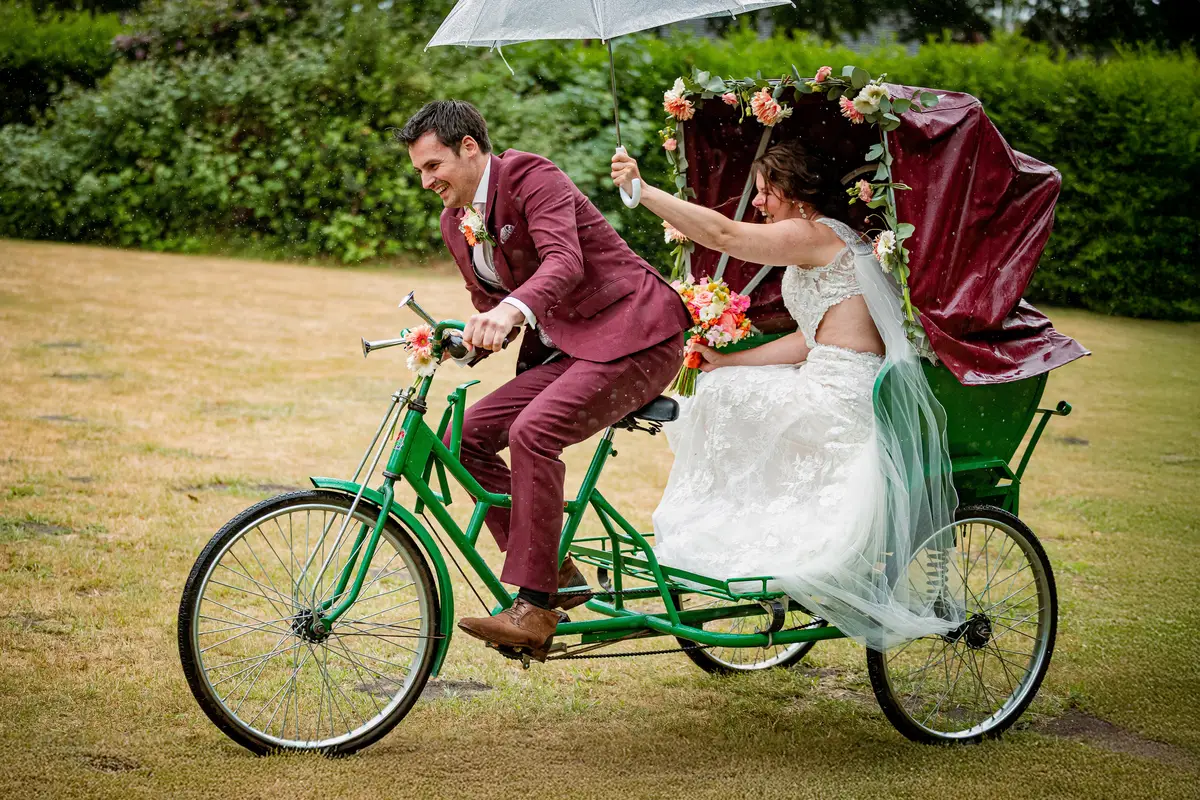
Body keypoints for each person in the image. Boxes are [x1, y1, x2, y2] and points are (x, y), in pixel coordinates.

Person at [611, 140, 961, 648]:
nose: (757, 202)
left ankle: (746, 535)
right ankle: (742, 528)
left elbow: (724, 234)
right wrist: (728, 361)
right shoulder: (821, 241)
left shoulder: (813, 233)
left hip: (846, 391)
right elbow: (808, 338)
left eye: (764, 191)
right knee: (719, 386)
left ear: (794, 192)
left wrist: (643, 191)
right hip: (822, 372)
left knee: (721, 398)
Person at [397, 101, 691, 659]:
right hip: (572, 348)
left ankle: (535, 607)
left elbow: (564, 262)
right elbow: (489, 303)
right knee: (465, 438)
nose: (426, 181)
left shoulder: (532, 175)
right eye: (419, 171)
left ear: (469, 147)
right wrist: (465, 340)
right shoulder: (454, 222)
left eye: (433, 166)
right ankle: (559, 573)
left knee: (532, 432)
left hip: (637, 332)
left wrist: (509, 312)